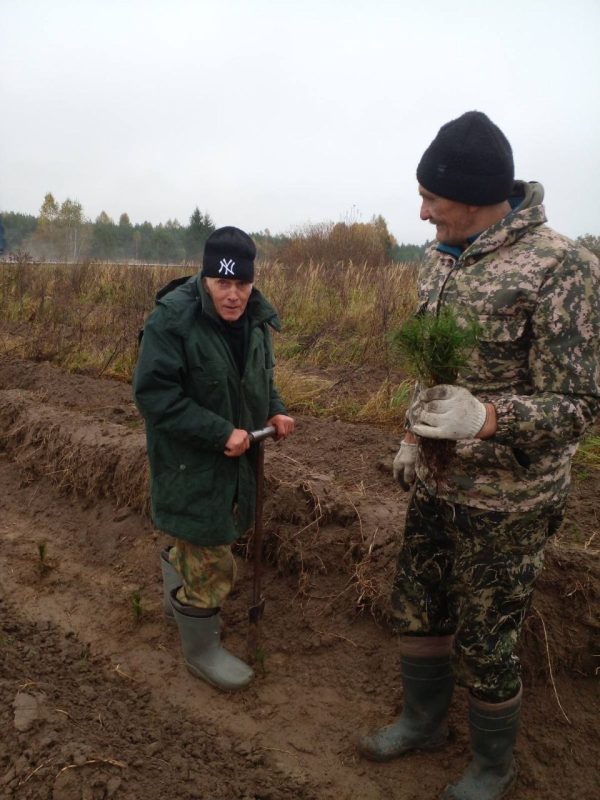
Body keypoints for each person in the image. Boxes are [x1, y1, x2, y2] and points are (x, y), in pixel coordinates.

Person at [358, 111, 600, 799]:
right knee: (418, 606)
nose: (423, 210)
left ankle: (493, 766)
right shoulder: (437, 260)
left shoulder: (563, 269)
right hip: (438, 483)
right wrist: (414, 434)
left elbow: (582, 403)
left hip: (509, 501)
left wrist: (489, 418)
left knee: (487, 637)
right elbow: (429, 371)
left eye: (433, 198)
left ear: (475, 198)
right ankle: (422, 722)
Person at [133, 226, 294, 692]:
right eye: (222, 283)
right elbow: (155, 396)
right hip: (190, 460)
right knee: (211, 550)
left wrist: (275, 410)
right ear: (206, 277)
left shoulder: (256, 320)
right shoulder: (172, 321)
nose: (233, 295)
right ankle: (201, 651)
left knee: (205, 531)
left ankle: (178, 601)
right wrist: (218, 431)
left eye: (241, 284)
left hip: (236, 455)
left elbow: (258, 377)